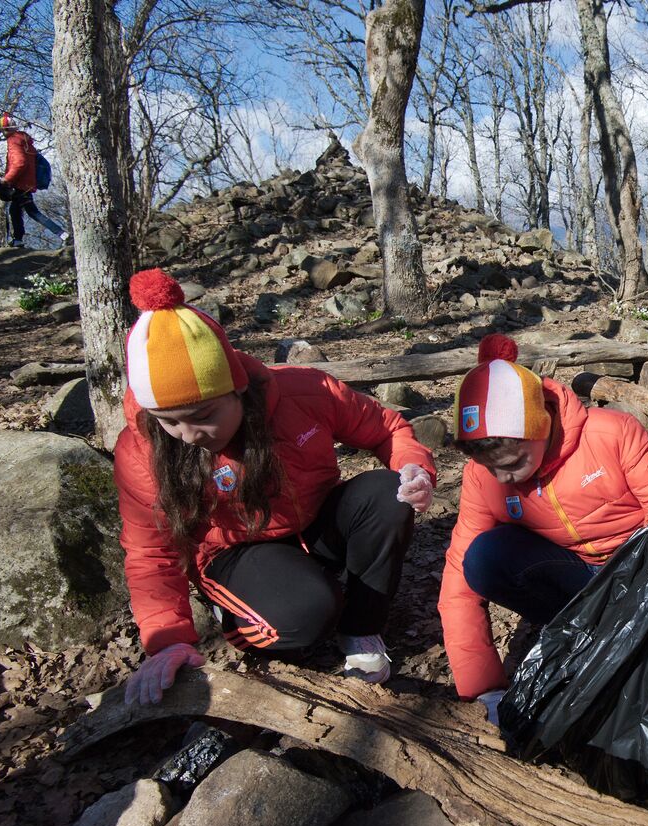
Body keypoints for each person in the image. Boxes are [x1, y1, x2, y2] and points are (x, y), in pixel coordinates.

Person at [115, 268, 436, 705]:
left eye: (204, 414)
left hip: (313, 522)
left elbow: (384, 427)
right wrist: (168, 640)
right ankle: (239, 608)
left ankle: (361, 632)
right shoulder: (141, 450)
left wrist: (414, 468)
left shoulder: (301, 392)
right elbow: (151, 552)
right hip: (234, 549)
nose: (189, 434)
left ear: (236, 389)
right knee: (306, 615)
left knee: (386, 492)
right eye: (170, 421)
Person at [438, 335, 648, 721]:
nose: (503, 477)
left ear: (542, 425)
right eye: (491, 467)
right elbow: (459, 586)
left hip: (635, 569)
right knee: (484, 557)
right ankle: (591, 637)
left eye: (515, 461)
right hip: (572, 577)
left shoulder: (610, 433)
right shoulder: (482, 477)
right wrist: (484, 690)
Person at [0, 114, 67, 248]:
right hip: (27, 183)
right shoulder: (24, 141)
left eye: (3, 130)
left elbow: (19, 163)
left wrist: (6, 179)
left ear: (6, 129)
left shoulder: (14, 141)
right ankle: (18, 240)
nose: (3, 133)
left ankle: (62, 234)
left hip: (21, 185)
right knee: (18, 211)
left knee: (32, 212)